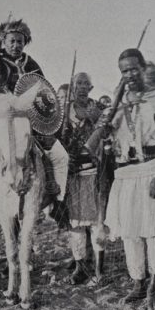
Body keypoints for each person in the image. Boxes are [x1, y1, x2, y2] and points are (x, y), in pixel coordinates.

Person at [0, 18, 69, 230]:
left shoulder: (31, 64)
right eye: (11, 41)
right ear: (3, 42)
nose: (16, 45)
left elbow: (44, 93)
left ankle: (58, 201)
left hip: (28, 119)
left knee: (60, 155)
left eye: (20, 41)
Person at [103, 49, 155, 310]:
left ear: (143, 68)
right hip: (125, 174)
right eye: (124, 70)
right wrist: (113, 106)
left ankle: (154, 287)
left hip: (152, 169)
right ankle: (137, 282)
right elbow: (106, 136)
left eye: (134, 68)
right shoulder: (118, 102)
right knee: (131, 231)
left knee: (153, 229)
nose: (130, 74)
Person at [59, 73, 106, 285]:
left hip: (94, 171)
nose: (83, 87)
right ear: (73, 86)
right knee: (75, 223)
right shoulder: (63, 112)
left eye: (87, 83)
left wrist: (97, 118)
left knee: (97, 222)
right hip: (72, 173)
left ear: (92, 86)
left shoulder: (97, 109)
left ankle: (99, 268)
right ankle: (80, 266)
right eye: (79, 83)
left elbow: (107, 135)